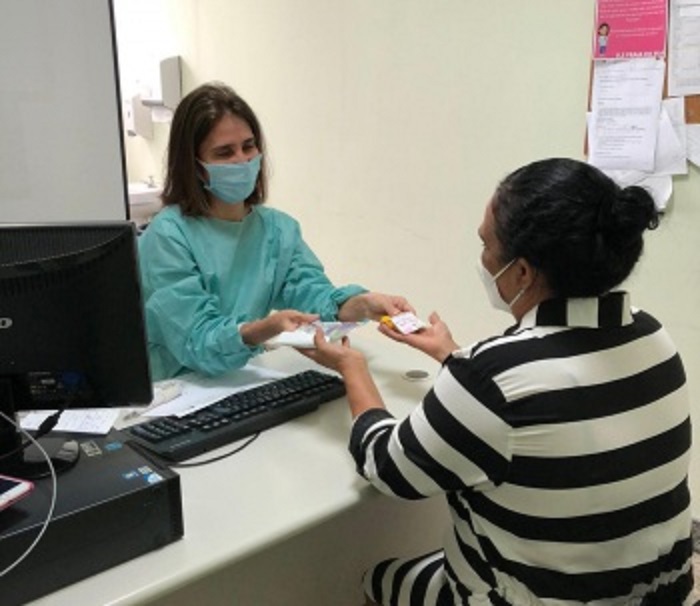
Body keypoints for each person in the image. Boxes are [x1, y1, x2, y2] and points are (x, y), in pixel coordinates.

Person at [302, 158, 694, 605]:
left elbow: (387, 468)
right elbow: (548, 400)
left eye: (485, 245)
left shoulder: (492, 377)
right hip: (660, 594)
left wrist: (352, 368)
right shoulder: (653, 336)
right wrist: (450, 354)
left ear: (522, 272)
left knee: (378, 577)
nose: (483, 260)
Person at [138, 82, 412, 381]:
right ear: (194, 166)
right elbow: (197, 340)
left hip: (237, 378)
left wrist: (361, 304)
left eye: (248, 146)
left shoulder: (277, 230)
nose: (242, 160)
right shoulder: (168, 236)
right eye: (225, 152)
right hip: (175, 389)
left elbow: (312, 294)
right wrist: (263, 330)